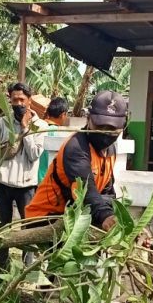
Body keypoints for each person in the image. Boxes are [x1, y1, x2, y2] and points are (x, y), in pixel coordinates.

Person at [26, 90, 127, 232]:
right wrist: (105, 216)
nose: (105, 132)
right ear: (89, 119)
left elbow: (106, 193)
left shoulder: (111, 150)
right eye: (100, 125)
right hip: (46, 219)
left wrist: (118, 218)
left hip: (74, 215)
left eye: (111, 128)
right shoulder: (76, 147)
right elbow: (85, 192)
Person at [0, 82, 46, 269]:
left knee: (28, 228)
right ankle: (2, 267)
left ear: (29, 101)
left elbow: (34, 155)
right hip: (3, 183)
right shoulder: (2, 123)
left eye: (22, 99)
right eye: (15, 100)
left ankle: (25, 268)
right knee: (3, 226)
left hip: (27, 186)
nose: (19, 103)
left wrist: (25, 129)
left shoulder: (40, 125)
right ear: (10, 101)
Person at [38, 97, 71, 183]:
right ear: (62, 115)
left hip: (35, 179)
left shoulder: (39, 128)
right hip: (50, 181)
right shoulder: (61, 133)